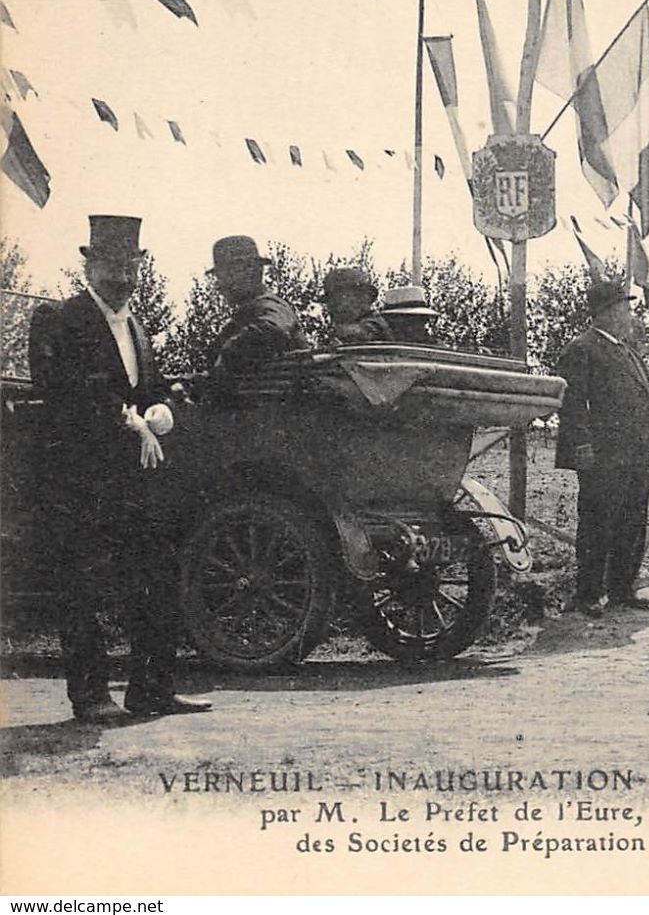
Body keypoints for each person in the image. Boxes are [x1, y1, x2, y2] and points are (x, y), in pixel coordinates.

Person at [27, 215, 211, 722]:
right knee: (82, 586)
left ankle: (151, 691)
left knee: (156, 577)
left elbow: (144, 390)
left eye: (131, 264)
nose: (123, 276)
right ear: (89, 265)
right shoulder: (59, 319)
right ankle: (89, 698)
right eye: (112, 264)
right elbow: (57, 389)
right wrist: (122, 419)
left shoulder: (137, 326)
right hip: (79, 480)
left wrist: (161, 411)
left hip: (136, 482)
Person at [555, 282, 649, 616]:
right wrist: (583, 445)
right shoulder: (582, 349)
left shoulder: (626, 350)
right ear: (606, 313)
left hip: (635, 455)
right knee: (597, 525)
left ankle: (622, 590)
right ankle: (587, 594)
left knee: (632, 523)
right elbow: (573, 404)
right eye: (624, 309)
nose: (629, 316)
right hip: (603, 458)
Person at [207, 235, 309, 373]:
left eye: (225, 276)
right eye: (220, 277)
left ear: (253, 272)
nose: (220, 285)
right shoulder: (243, 317)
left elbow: (273, 328)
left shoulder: (270, 305)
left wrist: (228, 351)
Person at [319, 267, 391, 346]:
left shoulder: (374, 324)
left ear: (363, 298)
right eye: (330, 301)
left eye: (340, 300)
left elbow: (362, 333)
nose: (333, 307)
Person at [378, 285, 443, 345]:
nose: (418, 326)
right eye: (409, 320)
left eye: (421, 319)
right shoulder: (379, 345)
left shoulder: (434, 346)